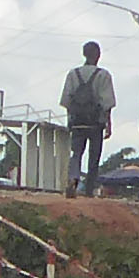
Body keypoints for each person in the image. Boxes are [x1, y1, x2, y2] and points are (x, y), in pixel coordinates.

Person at [58, 40, 116, 185]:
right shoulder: (103, 75)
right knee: (94, 156)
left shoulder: (73, 74)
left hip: (77, 121)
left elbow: (66, 100)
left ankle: (73, 178)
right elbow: (107, 103)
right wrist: (109, 125)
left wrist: (70, 120)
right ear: (98, 55)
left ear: (84, 54)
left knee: (76, 153)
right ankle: (89, 187)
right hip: (96, 123)